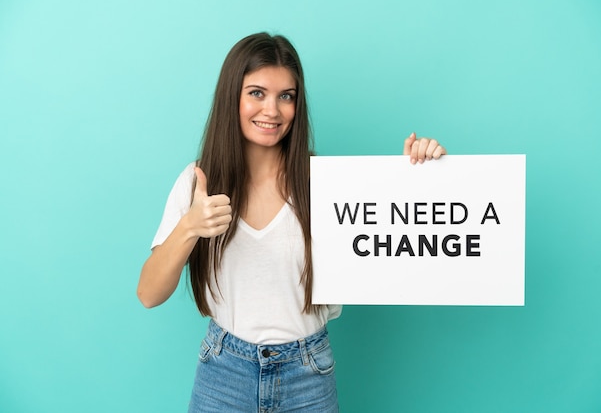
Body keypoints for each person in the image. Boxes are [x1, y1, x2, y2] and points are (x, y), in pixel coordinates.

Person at [137, 32, 446, 412]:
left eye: (287, 96)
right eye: (256, 93)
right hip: (223, 373)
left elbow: (399, 236)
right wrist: (189, 227)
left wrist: (419, 174)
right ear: (231, 95)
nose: (272, 109)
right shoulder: (197, 182)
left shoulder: (326, 183)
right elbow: (149, 294)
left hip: (308, 373)